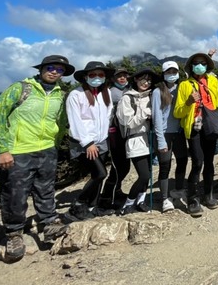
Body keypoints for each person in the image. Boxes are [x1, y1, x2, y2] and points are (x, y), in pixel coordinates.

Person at [0, 55, 73, 262]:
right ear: (42, 69)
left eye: (59, 70)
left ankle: (49, 222)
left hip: (47, 148)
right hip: (17, 150)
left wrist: (55, 142)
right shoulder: (21, 88)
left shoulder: (60, 94)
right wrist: (2, 149)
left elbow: (61, 122)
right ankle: (14, 233)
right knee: (15, 193)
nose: (54, 72)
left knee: (45, 188)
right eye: (51, 68)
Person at [173, 52, 218, 216]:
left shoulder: (214, 81)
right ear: (191, 66)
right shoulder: (184, 85)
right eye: (196, 63)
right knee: (197, 162)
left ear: (207, 66)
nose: (199, 65)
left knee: (209, 162)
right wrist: (188, 102)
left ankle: (208, 195)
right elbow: (178, 113)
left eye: (203, 62)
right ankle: (193, 199)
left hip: (210, 126)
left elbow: (217, 102)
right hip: (194, 127)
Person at [66, 61, 115, 221]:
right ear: (85, 76)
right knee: (101, 173)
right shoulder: (76, 95)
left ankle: (93, 207)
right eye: (92, 75)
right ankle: (79, 204)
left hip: (101, 141)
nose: (97, 78)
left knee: (97, 174)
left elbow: (107, 114)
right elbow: (75, 121)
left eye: (100, 75)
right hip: (85, 143)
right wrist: (88, 142)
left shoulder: (104, 93)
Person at [116, 68, 158, 215]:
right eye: (143, 79)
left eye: (149, 80)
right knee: (144, 175)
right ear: (135, 80)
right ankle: (128, 203)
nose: (146, 83)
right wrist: (145, 113)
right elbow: (128, 122)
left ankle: (141, 201)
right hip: (135, 140)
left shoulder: (151, 96)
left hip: (149, 139)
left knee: (149, 174)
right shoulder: (127, 98)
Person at [152, 60, 185, 213]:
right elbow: (157, 117)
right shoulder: (158, 92)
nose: (172, 75)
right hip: (164, 133)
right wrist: (160, 140)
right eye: (168, 72)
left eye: (174, 72)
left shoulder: (181, 89)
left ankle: (178, 190)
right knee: (165, 165)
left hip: (179, 132)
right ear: (163, 74)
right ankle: (165, 198)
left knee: (182, 161)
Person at [100, 67, 131, 208]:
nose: (122, 78)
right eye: (119, 76)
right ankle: (107, 197)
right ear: (113, 79)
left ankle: (115, 191)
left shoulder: (128, 90)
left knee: (124, 165)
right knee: (119, 166)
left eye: (125, 75)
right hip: (114, 132)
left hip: (124, 132)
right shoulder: (111, 93)